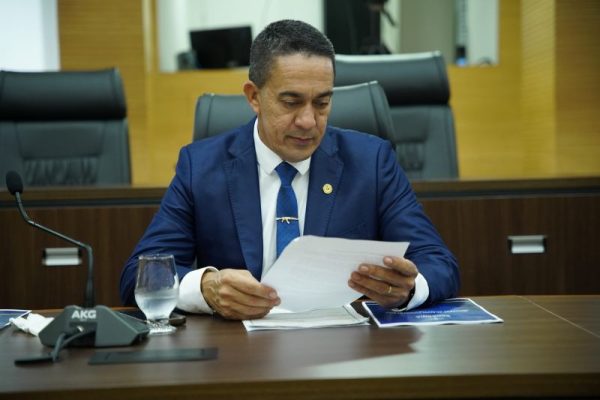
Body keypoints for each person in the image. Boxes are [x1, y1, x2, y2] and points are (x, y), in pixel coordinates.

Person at [120, 19, 459, 320]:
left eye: (322, 103)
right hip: (239, 353)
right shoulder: (202, 166)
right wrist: (206, 288)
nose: (308, 121)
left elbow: (438, 262)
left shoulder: (371, 162)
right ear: (254, 97)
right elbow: (140, 274)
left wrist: (408, 289)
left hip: (345, 349)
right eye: (291, 102)